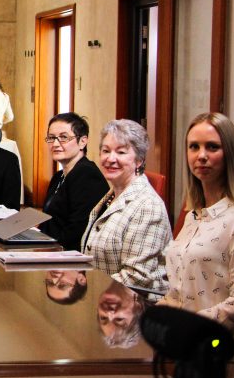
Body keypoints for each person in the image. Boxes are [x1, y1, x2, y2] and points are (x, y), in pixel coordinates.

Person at [160, 113, 234, 337]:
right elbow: (176, 293)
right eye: (194, 147)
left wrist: (187, 327)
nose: (201, 156)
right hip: (177, 340)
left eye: (212, 147)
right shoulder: (193, 216)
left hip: (212, 344)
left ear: (229, 154)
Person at [80, 119, 171, 295]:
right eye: (106, 151)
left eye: (121, 152)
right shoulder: (111, 196)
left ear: (139, 160)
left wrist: (91, 294)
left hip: (137, 305)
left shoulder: (147, 206)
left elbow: (136, 277)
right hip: (106, 299)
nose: (110, 158)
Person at [39, 113, 109, 250]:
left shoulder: (87, 175)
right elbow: (49, 221)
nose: (55, 144)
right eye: (51, 138)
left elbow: (78, 231)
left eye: (64, 137)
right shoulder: (58, 176)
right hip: (49, 246)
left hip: (70, 254)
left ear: (82, 141)